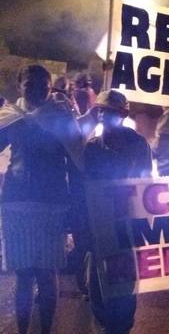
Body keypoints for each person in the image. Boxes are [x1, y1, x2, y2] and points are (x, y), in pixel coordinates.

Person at [0, 65, 84, 334]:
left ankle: (45, 331)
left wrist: (76, 206)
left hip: (52, 205)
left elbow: (78, 162)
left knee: (47, 274)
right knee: (23, 275)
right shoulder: (10, 117)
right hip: (17, 204)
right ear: (19, 85)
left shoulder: (61, 118)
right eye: (30, 85)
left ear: (50, 88)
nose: (36, 91)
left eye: (43, 87)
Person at [83, 89, 152, 333]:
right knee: (98, 288)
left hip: (125, 225)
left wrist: (143, 224)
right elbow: (86, 190)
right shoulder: (91, 148)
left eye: (111, 112)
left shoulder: (138, 144)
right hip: (100, 226)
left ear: (122, 115)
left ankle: (120, 328)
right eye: (101, 110)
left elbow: (146, 185)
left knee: (123, 287)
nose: (105, 116)